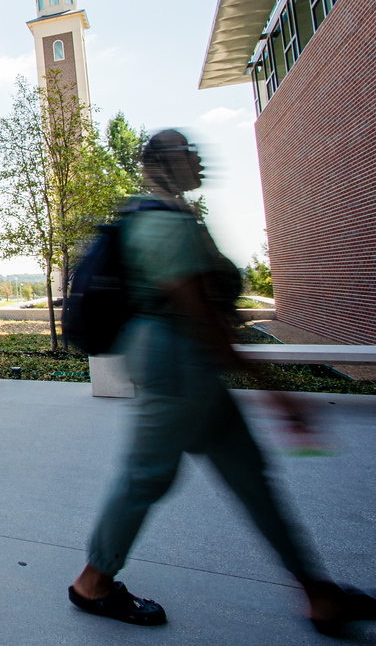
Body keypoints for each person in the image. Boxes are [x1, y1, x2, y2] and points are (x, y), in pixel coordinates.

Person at [68, 130, 376, 635]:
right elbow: (204, 317)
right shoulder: (164, 223)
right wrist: (273, 388)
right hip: (176, 363)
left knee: (251, 477)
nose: (199, 161)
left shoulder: (167, 215)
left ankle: (318, 593)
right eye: (188, 153)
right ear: (164, 162)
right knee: (146, 476)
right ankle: (93, 582)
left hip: (187, 365)